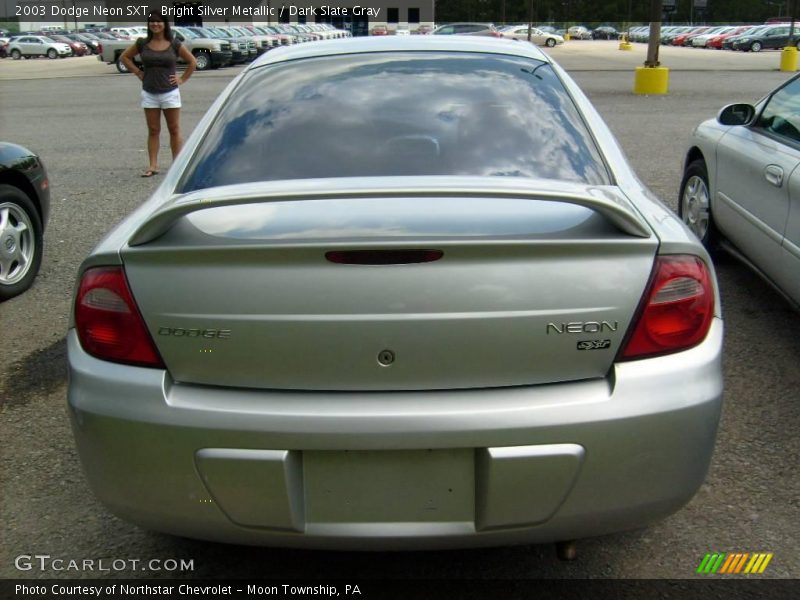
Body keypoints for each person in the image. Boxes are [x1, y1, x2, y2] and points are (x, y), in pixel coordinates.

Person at [121, 12, 197, 177]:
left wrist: (182, 79)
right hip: (149, 93)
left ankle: (177, 167)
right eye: (152, 22)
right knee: (153, 130)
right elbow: (125, 57)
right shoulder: (142, 43)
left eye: (158, 22)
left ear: (165, 24)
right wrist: (138, 72)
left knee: (174, 129)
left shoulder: (174, 44)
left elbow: (192, 61)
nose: (155, 24)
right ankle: (153, 165)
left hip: (170, 93)